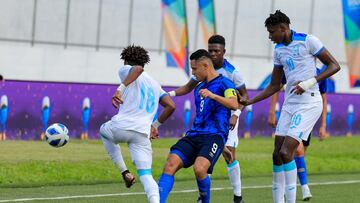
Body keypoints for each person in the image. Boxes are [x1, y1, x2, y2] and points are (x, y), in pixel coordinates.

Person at [238, 10, 340, 203]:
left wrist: (310, 82)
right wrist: (250, 101)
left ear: (283, 29)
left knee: (287, 152)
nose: (269, 37)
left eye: (271, 32)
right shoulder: (278, 50)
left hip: (309, 103)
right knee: (276, 155)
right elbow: (275, 85)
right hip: (290, 103)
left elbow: (334, 65)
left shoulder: (309, 41)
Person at [168, 35, 248, 203]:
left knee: (229, 155)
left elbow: (243, 97)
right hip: (206, 125)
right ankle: (203, 195)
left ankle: (238, 195)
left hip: (228, 117)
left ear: (223, 52)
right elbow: (188, 87)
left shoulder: (232, 73)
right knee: (204, 160)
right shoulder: (201, 70)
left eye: (216, 51)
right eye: (210, 50)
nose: (213, 53)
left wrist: (236, 115)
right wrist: (169, 95)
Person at [99, 45, 176, 203]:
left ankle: (124, 172)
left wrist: (120, 89)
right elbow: (171, 106)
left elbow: (138, 69)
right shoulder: (155, 84)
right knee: (146, 176)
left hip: (123, 126)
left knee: (104, 131)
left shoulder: (126, 69)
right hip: (142, 134)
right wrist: (155, 125)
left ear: (126, 60)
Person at [268, 66, 329, 201]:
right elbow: (276, 87)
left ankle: (297, 186)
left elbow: (324, 99)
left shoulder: (319, 74)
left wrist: (323, 125)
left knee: (298, 153)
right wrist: (272, 110)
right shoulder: (290, 67)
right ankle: (303, 188)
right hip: (292, 112)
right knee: (294, 151)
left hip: (308, 113)